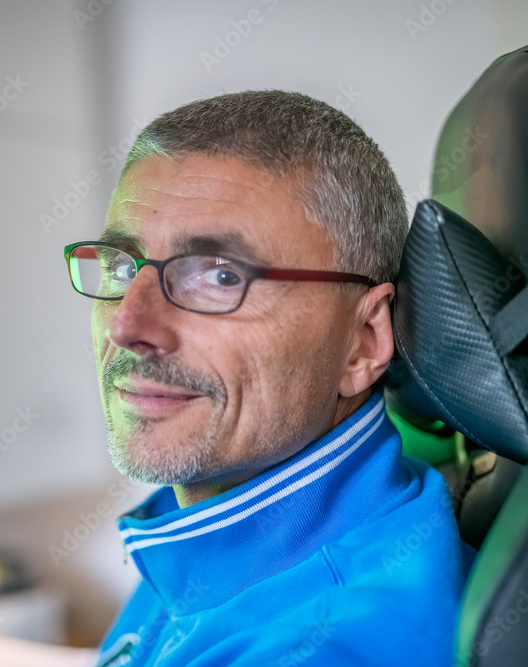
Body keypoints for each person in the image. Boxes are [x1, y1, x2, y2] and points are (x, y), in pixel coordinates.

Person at [63, 90, 473, 666]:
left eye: (221, 276)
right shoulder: (217, 533)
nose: (129, 326)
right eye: (119, 265)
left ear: (363, 342)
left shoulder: (330, 645)